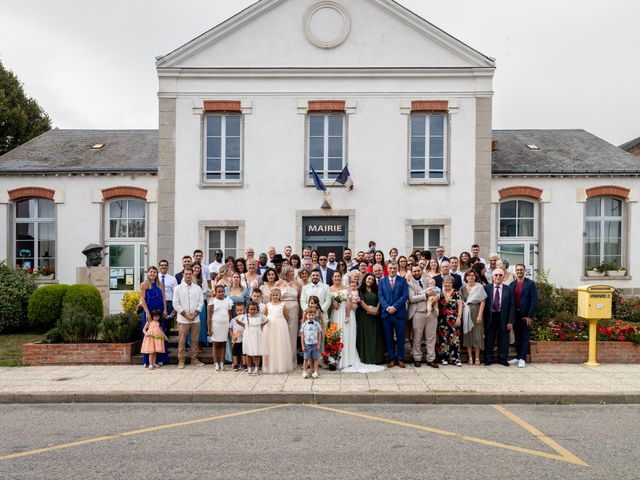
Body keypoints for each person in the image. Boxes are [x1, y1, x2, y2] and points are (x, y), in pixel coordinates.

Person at [330, 271, 384, 373]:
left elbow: (353, 301)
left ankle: (348, 359)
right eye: (335, 276)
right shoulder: (329, 289)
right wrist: (333, 305)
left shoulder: (348, 288)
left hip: (347, 313)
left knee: (347, 335)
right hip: (336, 314)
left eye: (338, 276)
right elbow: (329, 303)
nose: (337, 278)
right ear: (332, 278)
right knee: (336, 335)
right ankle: (335, 359)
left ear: (341, 277)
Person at [378, 263, 409, 368]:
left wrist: (394, 307)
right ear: (387, 269)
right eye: (390, 268)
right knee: (388, 337)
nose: (392, 270)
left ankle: (400, 358)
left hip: (399, 313)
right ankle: (392, 358)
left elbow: (405, 296)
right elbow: (380, 296)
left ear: (397, 269)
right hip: (386, 314)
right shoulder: (382, 281)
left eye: (394, 268)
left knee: (401, 337)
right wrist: (387, 308)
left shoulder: (402, 280)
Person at [173, 267, 204, 369]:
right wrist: (185, 315)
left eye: (190, 274)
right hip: (183, 319)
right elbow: (176, 304)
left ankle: (194, 359)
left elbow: (201, 302)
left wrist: (195, 313)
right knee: (182, 340)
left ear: (192, 275)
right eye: (186, 274)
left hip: (195, 319)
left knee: (195, 340)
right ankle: (181, 360)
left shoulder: (197, 288)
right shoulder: (178, 288)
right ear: (183, 275)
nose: (188, 276)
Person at [407, 265, 438, 368]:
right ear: (411, 272)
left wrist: (435, 297)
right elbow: (411, 298)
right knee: (417, 337)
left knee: (431, 336)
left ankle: (431, 359)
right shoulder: (409, 284)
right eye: (414, 271)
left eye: (418, 271)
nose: (416, 273)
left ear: (421, 271)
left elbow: (435, 291)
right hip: (418, 312)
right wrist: (425, 295)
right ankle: (417, 358)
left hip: (431, 312)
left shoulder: (428, 280)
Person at [484, 268, 515, 366]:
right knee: (489, 338)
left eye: (500, 275)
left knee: (504, 339)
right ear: (492, 277)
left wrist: (510, 321)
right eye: (496, 275)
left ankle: (502, 359)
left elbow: (512, 306)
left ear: (503, 277)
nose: (498, 277)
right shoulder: (487, 288)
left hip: (504, 317)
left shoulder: (509, 289)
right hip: (490, 317)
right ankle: (488, 359)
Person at [509, 263, 538, 368]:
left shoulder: (530, 284)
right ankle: (518, 356)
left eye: (521, 270)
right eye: (518, 270)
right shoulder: (512, 284)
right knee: (517, 336)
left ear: (524, 271)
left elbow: (534, 301)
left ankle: (522, 358)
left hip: (525, 314)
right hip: (515, 314)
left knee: (525, 336)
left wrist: (530, 316)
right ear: (515, 271)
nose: (519, 271)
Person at [140, 266, 168, 367]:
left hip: (159, 312)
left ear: (157, 274)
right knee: (148, 335)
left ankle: (160, 359)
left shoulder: (160, 284)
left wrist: (165, 309)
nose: (152, 274)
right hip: (148, 311)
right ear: (148, 273)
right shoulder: (144, 285)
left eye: (154, 272)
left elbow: (164, 298)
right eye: (151, 272)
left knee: (159, 334)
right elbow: (142, 299)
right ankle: (147, 361)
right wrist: (147, 312)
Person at [356, 273, 385, 365]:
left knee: (375, 336)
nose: (370, 281)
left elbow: (380, 300)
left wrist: (376, 310)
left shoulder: (376, 290)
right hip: (364, 316)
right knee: (366, 336)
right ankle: (366, 358)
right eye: (369, 279)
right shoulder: (360, 290)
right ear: (365, 279)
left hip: (375, 317)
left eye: (372, 280)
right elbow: (360, 301)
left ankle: (376, 358)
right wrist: (369, 310)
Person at [263, 288, 293, 374]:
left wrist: (281, 322)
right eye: (273, 295)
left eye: (277, 295)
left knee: (280, 344)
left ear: (279, 296)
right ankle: (271, 366)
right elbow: (264, 316)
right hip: (270, 326)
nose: (275, 297)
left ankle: (281, 366)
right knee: (271, 345)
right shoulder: (268, 305)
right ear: (270, 296)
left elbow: (286, 316)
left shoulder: (283, 305)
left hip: (280, 326)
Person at [460, 269, 487, 366]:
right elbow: (461, 301)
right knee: (468, 335)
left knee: (477, 334)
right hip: (466, 313)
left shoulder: (479, 287)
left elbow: (483, 301)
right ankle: (470, 358)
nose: (471, 277)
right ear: (466, 277)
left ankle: (477, 357)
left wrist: (480, 315)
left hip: (476, 312)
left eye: (472, 275)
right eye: (468, 275)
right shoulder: (462, 288)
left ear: (475, 277)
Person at [276, 264, 301, 367]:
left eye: (292, 271)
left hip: (294, 309)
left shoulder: (296, 284)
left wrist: (301, 313)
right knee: (281, 332)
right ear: (285, 271)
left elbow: (299, 298)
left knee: (292, 334)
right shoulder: (279, 283)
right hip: (282, 309)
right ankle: (281, 359)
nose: (292, 273)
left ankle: (291, 360)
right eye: (290, 271)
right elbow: (274, 296)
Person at [436, 276, 463, 366]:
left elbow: (460, 306)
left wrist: (459, 317)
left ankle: (455, 359)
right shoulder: (439, 293)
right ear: (443, 283)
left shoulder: (457, 293)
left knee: (454, 338)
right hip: (442, 318)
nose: (447, 284)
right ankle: (443, 358)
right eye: (446, 282)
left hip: (454, 318)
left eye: (449, 282)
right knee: (443, 339)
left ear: (452, 283)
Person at [207, 284, 233, 371]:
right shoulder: (213, 302)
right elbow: (209, 317)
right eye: (219, 292)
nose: (221, 293)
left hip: (224, 326)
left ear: (224, 292)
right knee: (215, 345)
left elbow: (229, 315)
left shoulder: (228, 301)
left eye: (222, 291)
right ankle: (216, 363)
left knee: (223, 344)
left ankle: (222, 363)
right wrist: (209, 329)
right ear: (215, 292)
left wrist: (229, 326)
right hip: (215, 326)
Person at [238, 302, 268, 375]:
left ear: (257, 309)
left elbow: (267, 320)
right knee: (248, 352)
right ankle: (249, 368)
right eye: (251, 309)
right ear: (247, 309)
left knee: (256, 352)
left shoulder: (260, 316)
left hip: (257, 335)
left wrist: (261, 326)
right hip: (248, 334)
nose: (252, 311)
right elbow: (237, 320)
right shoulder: (245, 316)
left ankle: (256, 368)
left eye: (254, 309)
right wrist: (244, 326)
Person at [300, 308, 322, 379]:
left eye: (313, 315)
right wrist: (303, 345)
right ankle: (304, 371)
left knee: (315, 358)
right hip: (307, 345)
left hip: (315, 345)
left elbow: (319, 335)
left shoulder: (317, 324)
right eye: (309, 315)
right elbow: (302, 336)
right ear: (306, 315)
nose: (311, 317)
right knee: (306, 358)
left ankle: (315, 372)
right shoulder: (304, 325)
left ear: (315, 315)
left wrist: (318, 344)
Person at [157, 259, 177, 337]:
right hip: (158, 302)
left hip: (169, 303)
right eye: (162, 265)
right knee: (157, 324)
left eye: (165, 265)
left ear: (168, 267)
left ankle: (165, 346)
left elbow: (175, 293)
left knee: (167, 325)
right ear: (159, 267)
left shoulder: (172, 279)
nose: (163, 266)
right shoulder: (155, 277)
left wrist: (174, 307)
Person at [192, 262, 210, 346]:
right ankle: (192, 344)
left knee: (201, 324)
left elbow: (205, 290)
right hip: (190, 304)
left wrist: (196, 294)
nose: (196, 269)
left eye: (198, 268)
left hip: (201, 304)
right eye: (195, 267)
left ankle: (200, 343)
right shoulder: (188, 277)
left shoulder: (203, 278)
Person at [229, 302, 247, 371]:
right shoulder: (233, 320)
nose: (239, 312)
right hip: (235, 339)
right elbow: (230, 329)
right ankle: (236, 365)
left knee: (243, 352)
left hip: (243, 339)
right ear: (235, 311)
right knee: (235, 352)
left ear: (244, 310)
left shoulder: (245, 319)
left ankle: (245, 364)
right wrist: (232, 336)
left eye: (241, 310)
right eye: (237, 310)